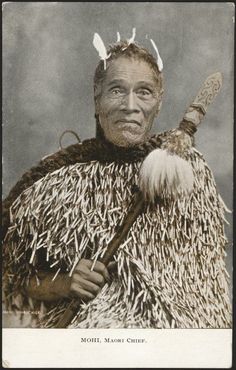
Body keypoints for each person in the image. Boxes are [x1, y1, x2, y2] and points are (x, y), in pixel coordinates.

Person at [2, 34, 232, 329]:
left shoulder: (190, 172)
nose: (130, 106)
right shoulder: (51, 183)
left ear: (158, 104)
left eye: (144, 92)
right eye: (116, 90)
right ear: (97, 100)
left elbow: (207, 288)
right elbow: (15, 274)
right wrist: (64, 283)